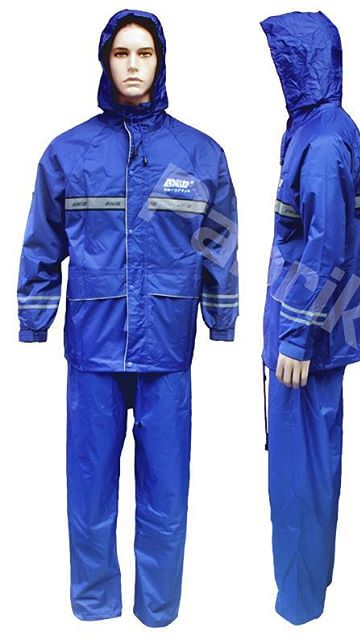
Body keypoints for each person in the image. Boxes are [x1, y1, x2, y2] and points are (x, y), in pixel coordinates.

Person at [17, 9, 238, 627]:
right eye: (122, 54)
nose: (133, 65)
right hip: (93, 346)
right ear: (105, 61)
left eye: (145, 53)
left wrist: (221, 316)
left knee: (166, 493)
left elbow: (220, 243)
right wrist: (35, 316)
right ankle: (94, 608)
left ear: (160, 62)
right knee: (90, 491)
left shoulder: (200, 153)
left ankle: (157, 612)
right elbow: (42, 242)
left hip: (167, 346)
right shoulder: (68, 152)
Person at [260, 11, 360, 625]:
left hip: (304, 342)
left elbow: (324, 244)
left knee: (297, 475)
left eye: (282, 59)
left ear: (300, 63)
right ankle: (311, 590)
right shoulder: (316, 128)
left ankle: (299, 606)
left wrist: (296, 335)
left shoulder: (324, 140)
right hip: (311, 333)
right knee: (313, 466)